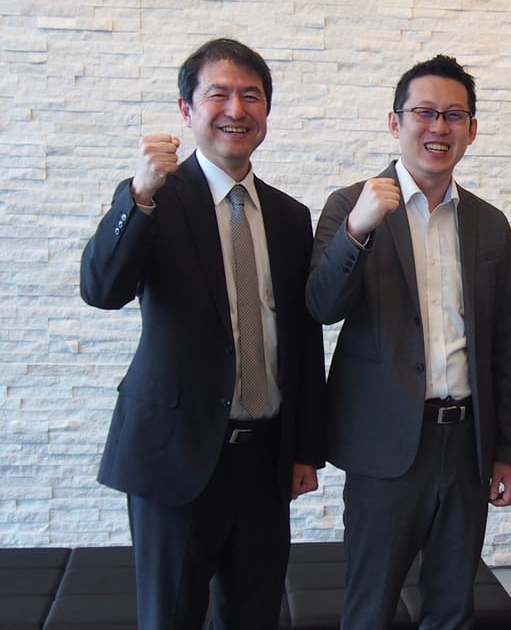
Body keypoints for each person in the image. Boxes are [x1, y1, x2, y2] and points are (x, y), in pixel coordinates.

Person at [79, 38, 326, 629]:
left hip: (263, 460)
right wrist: (138, 195)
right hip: (176, 457)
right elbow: (101, 289)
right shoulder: (153, 199)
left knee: (254, 616)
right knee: (170, 618)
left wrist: (304, 449)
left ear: (267, 111)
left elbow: (301, 340)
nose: (236, 109)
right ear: (187, 109)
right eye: (219, 94)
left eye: (251, 96)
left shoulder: (290, 216)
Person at [306, 54, 511, 630]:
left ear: (472, 129)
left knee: (453, 605)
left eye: (454, 116)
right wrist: (357, 231)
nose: (439, 127)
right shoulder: (350, 205)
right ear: (395, 122)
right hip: (385, 447)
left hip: (467, 444)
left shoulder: (489, 223)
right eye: (424, 113)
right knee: (370, 606)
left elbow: (509, 345)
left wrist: (508, 449)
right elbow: (322, 306)